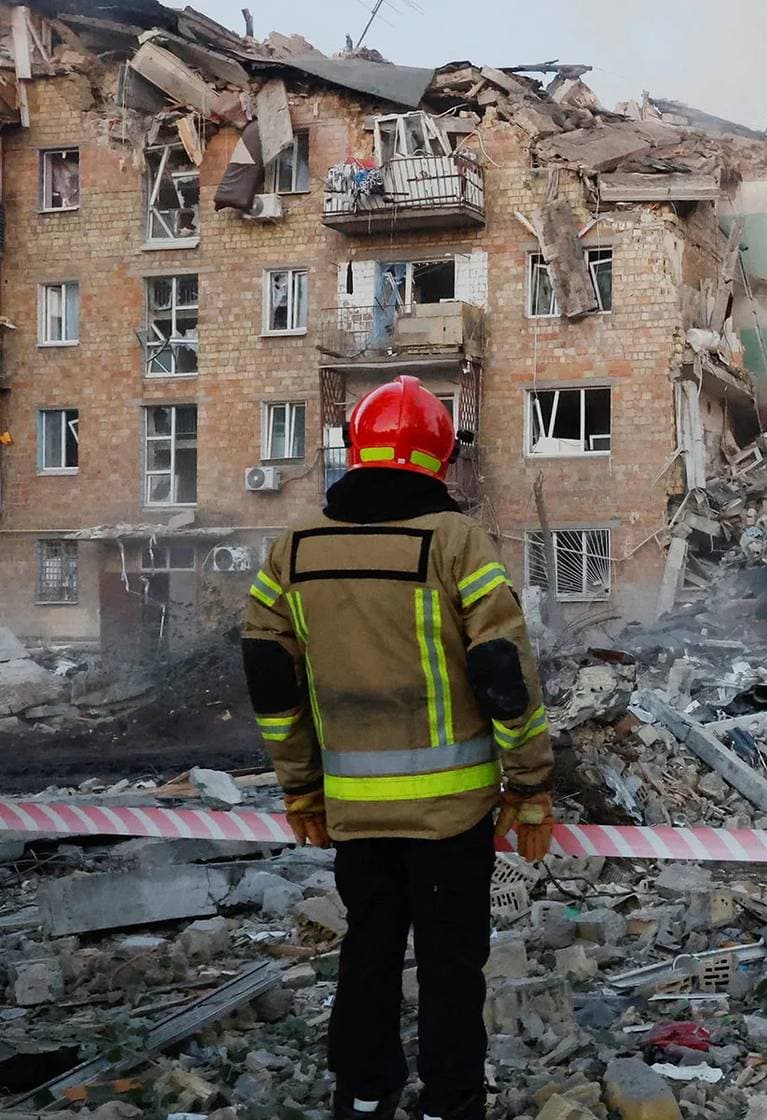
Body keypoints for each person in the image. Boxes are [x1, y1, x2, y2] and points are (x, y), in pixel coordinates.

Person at [243, 375, 553, 1120]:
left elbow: (270, 680)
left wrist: (300, 789)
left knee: (368, 951)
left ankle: (363, 1093)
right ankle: (452, 1103)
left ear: (355, 450)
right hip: (451, 816)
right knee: (452, 968)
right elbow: (502, 675)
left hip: (352, 810)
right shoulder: (455, 541)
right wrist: (531, 785)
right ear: (440, 457)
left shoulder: (293, 549)